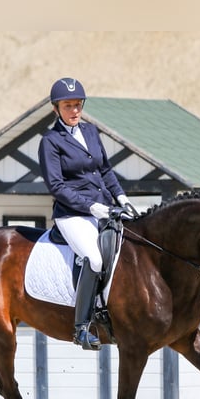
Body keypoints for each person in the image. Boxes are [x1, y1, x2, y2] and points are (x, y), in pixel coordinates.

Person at [38, 77, 138, 351]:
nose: (74, 110)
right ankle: (81, 327)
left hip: (105, 206)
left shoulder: (91, 132)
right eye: (68, 105)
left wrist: (122, 197)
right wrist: (90, 206)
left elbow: (105, 170)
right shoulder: (50, 141)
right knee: (94, 259)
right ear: (55, 109)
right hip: (72, 214)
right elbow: (56, 186)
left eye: (78, 105)